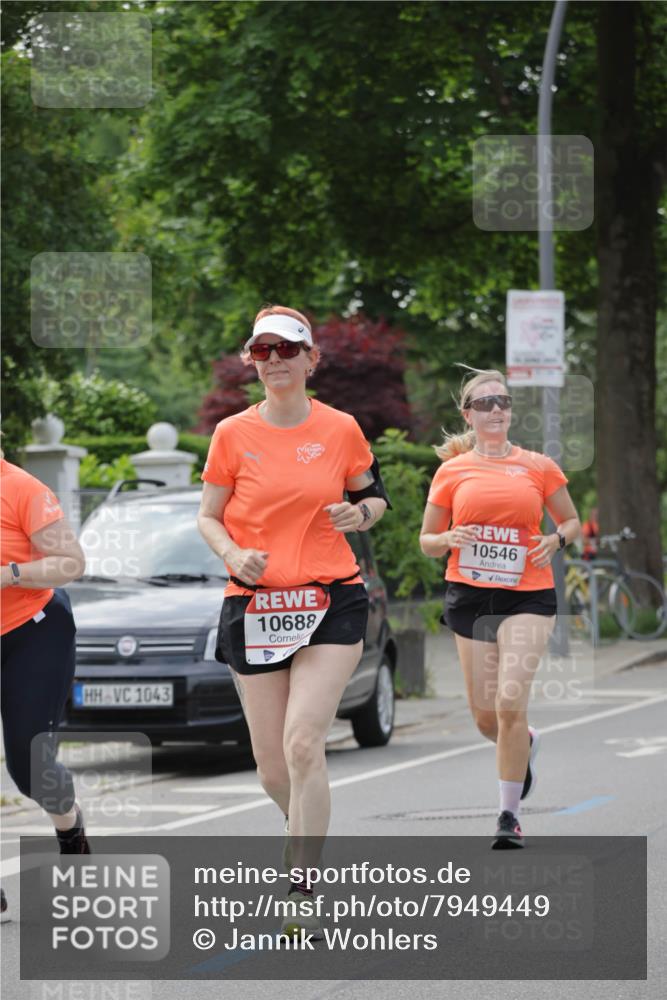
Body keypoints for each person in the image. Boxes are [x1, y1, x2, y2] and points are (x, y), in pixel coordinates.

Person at [197, 305, 390, 935]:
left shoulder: (340, 428)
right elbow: (208, 516)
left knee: (305, 741)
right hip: (253, 604)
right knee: (273, 766)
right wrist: (232, 553)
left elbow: (373, 496)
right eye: (262, 351)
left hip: (331, 599)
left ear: (311, 359)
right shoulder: (231, 434)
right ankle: (301, 823)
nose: (274, 360)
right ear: (252, 361)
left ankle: (303, 882)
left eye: (287, 349)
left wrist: (359, 517)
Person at [420, 367, 580, 849]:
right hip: (469, 596)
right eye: (485, 403)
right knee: (487, 719)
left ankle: (508, 816)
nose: (496, 409)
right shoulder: (451, 471)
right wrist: (447, 538)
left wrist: (556, 540)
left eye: (503, 402)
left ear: (511, 411)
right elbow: (427, 541)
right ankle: (523, 743)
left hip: (528, 594)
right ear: (469, 415)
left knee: (510, 702)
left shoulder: (538, 466)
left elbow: (570, 520)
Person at [1, 456, 91, 921]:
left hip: (32, 630)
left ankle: (70, 827)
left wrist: (9, 574)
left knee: (28, 762)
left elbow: (71, 562)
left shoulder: (22, 488)